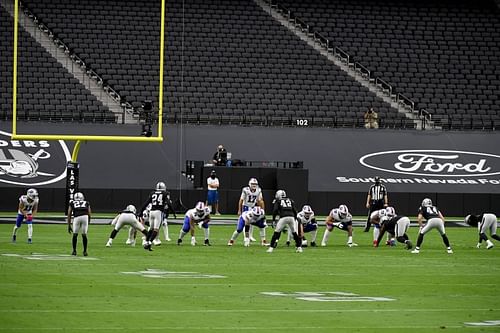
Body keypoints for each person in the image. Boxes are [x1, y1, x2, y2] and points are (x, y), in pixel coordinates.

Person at [139, 181, 171, 251]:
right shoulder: (165, 193)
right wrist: (173, 212)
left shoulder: (152, 193)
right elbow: (168, 203)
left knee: (151, 228)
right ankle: (150, 242)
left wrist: (141, 212)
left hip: (150, 212)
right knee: (156, 229)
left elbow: (146, 203)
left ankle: (146, 242)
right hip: (158, 212)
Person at [238, 178, 265, 243]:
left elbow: (259, 200)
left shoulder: (258, 190)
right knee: (246, 221)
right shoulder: (245, 190)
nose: (254, 185)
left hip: (253, 207)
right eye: (252, 184)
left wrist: (261, 208)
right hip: (246, 207)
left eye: (255, 184)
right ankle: (246, 237)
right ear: (249, 184)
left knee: (252, 222)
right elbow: (241, 200)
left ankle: (250, 236)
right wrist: (239, 210)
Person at [67, 192, 91, 256]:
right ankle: (85, 251)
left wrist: (69, 225)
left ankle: (74, 251)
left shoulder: (72, 203)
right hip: (85, 217)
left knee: (75, 234)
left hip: (77, 217)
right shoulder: (86, 202)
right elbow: (89, 213)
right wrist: (89, 221)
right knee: (84, 235)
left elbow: (69, 214)